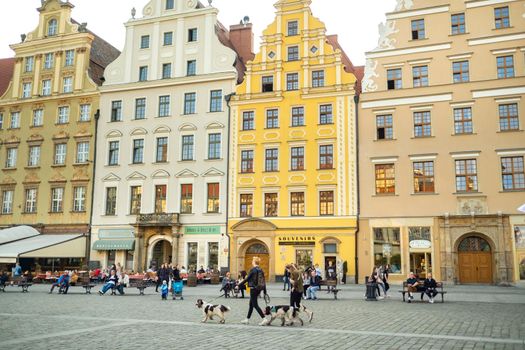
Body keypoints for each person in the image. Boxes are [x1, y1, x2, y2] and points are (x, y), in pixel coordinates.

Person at [238, 257, 266, 325]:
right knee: (251, 304)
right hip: (258, 289)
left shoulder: (253, 270)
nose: (252, 262)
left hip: (253, 289)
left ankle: (264, 318)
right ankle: (247, 319)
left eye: (252, 261)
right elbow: (263, 281)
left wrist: (239, 285)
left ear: (254, 262)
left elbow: (247, 279)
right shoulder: (261, 269)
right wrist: (265, 291)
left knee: (255, 305)